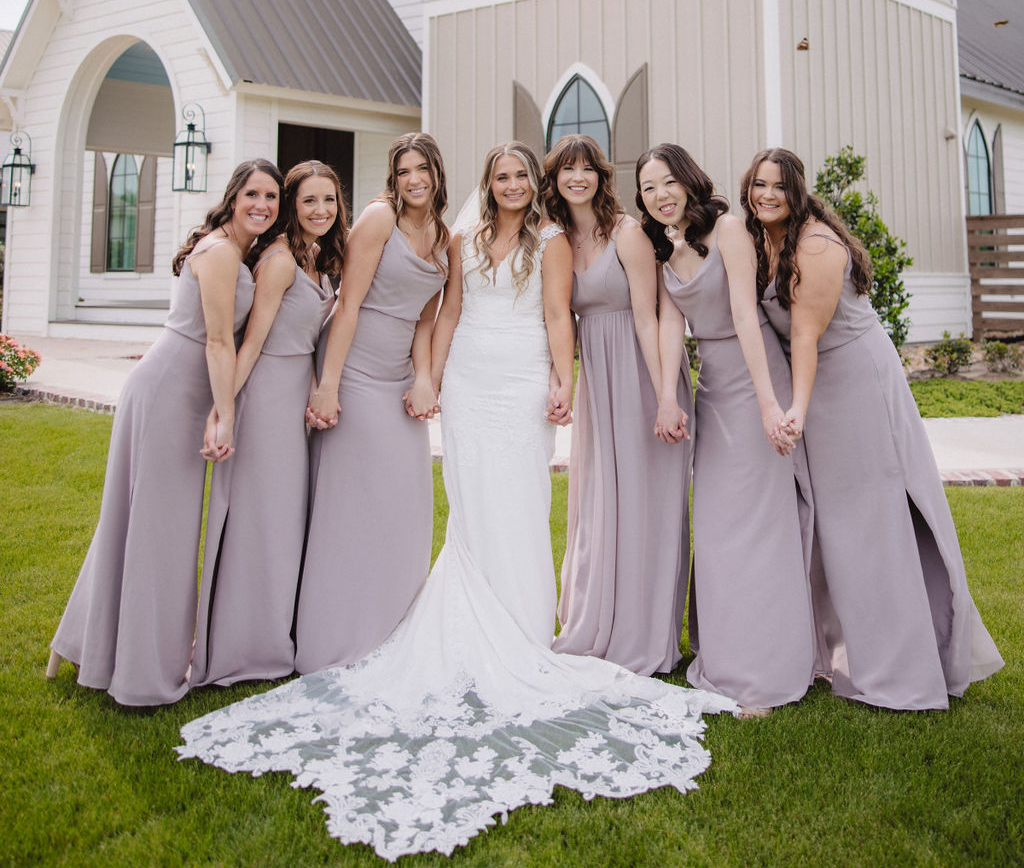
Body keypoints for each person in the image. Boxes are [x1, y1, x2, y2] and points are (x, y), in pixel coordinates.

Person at [178, 142, 733, 858]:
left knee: (522, 500)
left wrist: (561, 381)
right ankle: (467, 613)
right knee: (471, 505)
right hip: (469, 379)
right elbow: (443, 314)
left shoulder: (554, 239)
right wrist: (431, 378)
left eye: (519, 176)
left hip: (523, 377)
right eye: (500, 175)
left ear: (531, 185)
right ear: (485, 183)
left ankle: (525, 631)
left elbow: (559, 316)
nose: (510, 185)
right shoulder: (462, 239)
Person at [742, 147, 1003, 711]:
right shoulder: (763, 237)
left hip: (855, 385)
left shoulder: (815, 246)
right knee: (834, 527)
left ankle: (902, 668)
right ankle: (841, 651)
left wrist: (797, 411)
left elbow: (806, 336)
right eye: (758, 184)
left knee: (875, 524)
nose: (766, 195)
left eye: (778, 187)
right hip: (818, 385)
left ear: (798, 192)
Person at [46, 160, 283, 706]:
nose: (263, 205)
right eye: (253, 193)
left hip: (176, 391)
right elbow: (218, 343)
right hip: (168, 396)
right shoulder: (223, 253)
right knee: (159, 534)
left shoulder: (235, 247)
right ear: (233, 196)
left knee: (137, 525)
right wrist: (224, 415)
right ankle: (139, 673)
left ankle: (84, 644)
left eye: (272, 197)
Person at [638, 144, 817, 712]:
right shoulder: (661, 248)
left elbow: (745, 315)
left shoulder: (730, 231)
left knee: (760, 530)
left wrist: (769, 406)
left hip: (756, 380)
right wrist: (667, 396)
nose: (659, 195)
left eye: (667, 182)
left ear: (689, 182)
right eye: (647, 188)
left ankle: (766, 671)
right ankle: (724, 658)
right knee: (716, 529)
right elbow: (671, 324)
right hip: (712, 390)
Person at [293, 132, 449, 673]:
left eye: (422, 168)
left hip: (398, 375)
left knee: (407, 501)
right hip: (354, 368)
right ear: (393, 176)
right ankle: (337, 635)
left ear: (436, 171)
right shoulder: (380, 219)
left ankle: (394, 626)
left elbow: (428, 317)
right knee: (350, 504)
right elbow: (349, 303)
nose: (414, 179)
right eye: (404, 170)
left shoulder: (441, 233)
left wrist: (425, 377)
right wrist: (329, 384)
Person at [190, 161, 345, 687]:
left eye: (329, 200)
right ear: (291, 209)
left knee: (281, 523)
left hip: (292, 395)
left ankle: (272, 633)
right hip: (265, 398)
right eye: (308, 201)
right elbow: (249, 342)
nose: (320, 210)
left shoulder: (320, 261)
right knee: (259, 522)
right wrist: (223, 411)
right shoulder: (279, 263)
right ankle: (242, 645)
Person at [542, 133, 690, 674]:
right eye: (566, 170)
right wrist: (563, 381)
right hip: (598, 381)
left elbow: (651, 315)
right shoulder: (555, 239)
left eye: (586, 169)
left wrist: (667, 397)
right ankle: (597, 620)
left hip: (643, 372)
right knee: (602, 500)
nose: (577, 178)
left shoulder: (625, 233)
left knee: (647, 503)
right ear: (555, 179)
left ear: (601, 177)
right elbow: (559, 319)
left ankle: (646, 634)